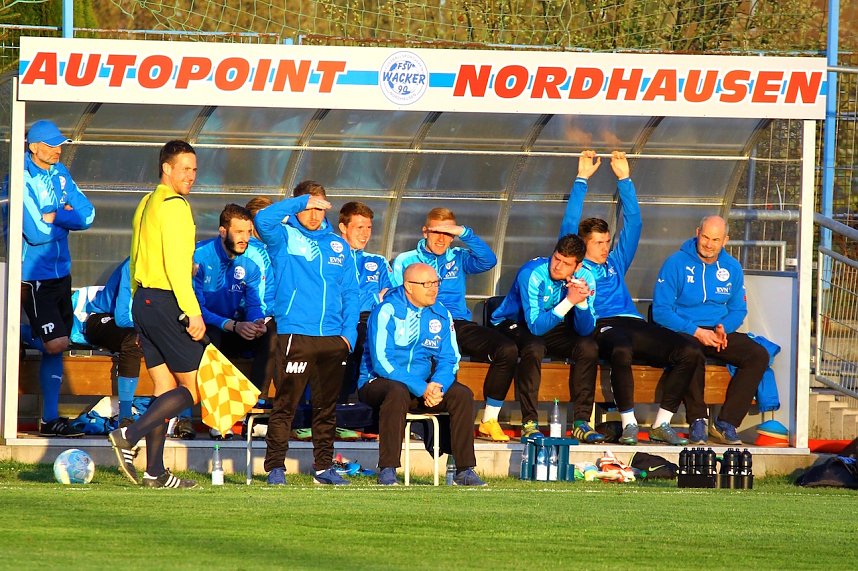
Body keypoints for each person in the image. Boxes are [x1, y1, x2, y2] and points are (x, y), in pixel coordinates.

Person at [560, 150, 702, 446]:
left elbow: (634, 224)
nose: (604, 247)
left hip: (632, 321)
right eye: (598, 243)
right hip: (601, 325)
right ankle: (628, 423)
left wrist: (625, 179)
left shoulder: (615, 261)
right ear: (583, 246)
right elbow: (569, 225)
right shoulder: (574, 265)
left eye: (607, 241)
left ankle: (663, 423)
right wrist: (581, 179)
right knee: (621, 349)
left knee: (689, 351)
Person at [108, 140, 206, 489]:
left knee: (164, 387)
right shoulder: (177, 206)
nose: (191, 176)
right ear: (167, 168)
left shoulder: (147, 202)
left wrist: (137, 303)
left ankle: (155, 472)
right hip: (165, 302)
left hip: (145, 301)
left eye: (194, 169)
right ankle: (128, 434)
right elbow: (175, 266)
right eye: (185, 169)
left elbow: (135, 257)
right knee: (193, 388)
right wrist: (192, 312)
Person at [254, 180, 360, 486]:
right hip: (294, 334)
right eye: (308, 207)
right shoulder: (283, 236)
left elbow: (351, 292)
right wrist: (299, 202)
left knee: (326, 408)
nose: (313, 215)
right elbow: (262, 219)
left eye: (318, 207)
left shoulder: (338, 245)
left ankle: (323, 467)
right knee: (286, 404)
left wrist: (347, 336)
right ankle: (276, 467)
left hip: (333, 339)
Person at [391, 208, 519, 442]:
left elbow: (488, 260)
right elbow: (395, 298)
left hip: (457, 324)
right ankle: (423, 426)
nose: (442, 239)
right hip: (420, 324)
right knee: (437, 361)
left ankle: (489, 420)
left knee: (507, 349)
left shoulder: (458, 256)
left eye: (448, 233)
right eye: (436, 232)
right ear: (424, 231)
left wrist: (464, 233)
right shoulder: (406, 260)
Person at [359, 263, 487, 486]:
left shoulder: (441, 313)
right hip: (378, 383)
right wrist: (421, 387)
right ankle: (388, 469)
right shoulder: (386, 310)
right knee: (396, 391)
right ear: (409, 286)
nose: (433, 288)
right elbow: (381, 362)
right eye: (426, 284)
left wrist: (438, 385)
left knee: (462, 394)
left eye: (436, 283)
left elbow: (449, 358)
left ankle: (464, 469)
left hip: (426, 387)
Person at [652, 215, 769, 444]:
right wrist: (696, 331)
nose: (708, 244)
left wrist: (723, 328)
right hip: (684, 330)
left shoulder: (732, 267)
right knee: (691, 352)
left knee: (758, 355)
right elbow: (661, 311)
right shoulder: (676, 263)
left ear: (725, 241)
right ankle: (698, 420)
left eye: (715, 239)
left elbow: (738, 309)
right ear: (697, 233)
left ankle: (726, 424)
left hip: (717, 332)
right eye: (705, 237)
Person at [490, 233, 605, 443]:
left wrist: (580, 303)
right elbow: (534, 326)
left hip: (551, 323)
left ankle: (581, 422)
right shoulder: (532, 273)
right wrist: (569, 301)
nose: (558, 266)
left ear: (577, 267)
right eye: (557, 258)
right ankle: (529, 423)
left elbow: (585, 330)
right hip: (513, 322)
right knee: (534, 346)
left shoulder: (586, 277)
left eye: (566, 263)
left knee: (588, 346)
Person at [21, 119, 95, 437]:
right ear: (34, 146)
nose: (57, 150)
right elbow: (36, 234)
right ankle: (18, 336)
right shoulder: (21, 178)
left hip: (61, 273)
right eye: (51, 145)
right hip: (34, 276)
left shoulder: (60, 173)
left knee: (59, 346)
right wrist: (65, 218)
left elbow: (88, 214)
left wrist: (57, 215)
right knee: (57, 343)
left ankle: (50, 420)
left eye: (59, 144)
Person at [188, 202, 277, 438]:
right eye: (239, 232)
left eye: (248, 232)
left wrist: (256, 323)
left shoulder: (250, 261)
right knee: (212, 336)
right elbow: (196, 308)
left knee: (271, 332)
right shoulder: (199, 257)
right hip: (209, 328)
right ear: (223, 231)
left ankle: (255, 410)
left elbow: (254, 303)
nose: (245, 238)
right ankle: (218, 418)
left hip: (237, 328)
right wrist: (232, 325)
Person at [70, 257, 141, 423]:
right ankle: (124, 416)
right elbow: (122, 318)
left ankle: (183, 419)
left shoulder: (176, 267)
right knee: (133, 340)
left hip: (140, 323)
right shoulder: (135, 264)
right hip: (101, 317)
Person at [337, 201, 392, 402]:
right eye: (359, 227)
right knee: (359, 338)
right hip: (340, 319)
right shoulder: (331, 258)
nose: (365, 233)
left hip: (374, 318)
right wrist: (375, 297)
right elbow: (336, 297)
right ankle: (345, 405)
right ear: (343, 227)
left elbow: (393, 295)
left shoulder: (378, 261)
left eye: (369, 228)